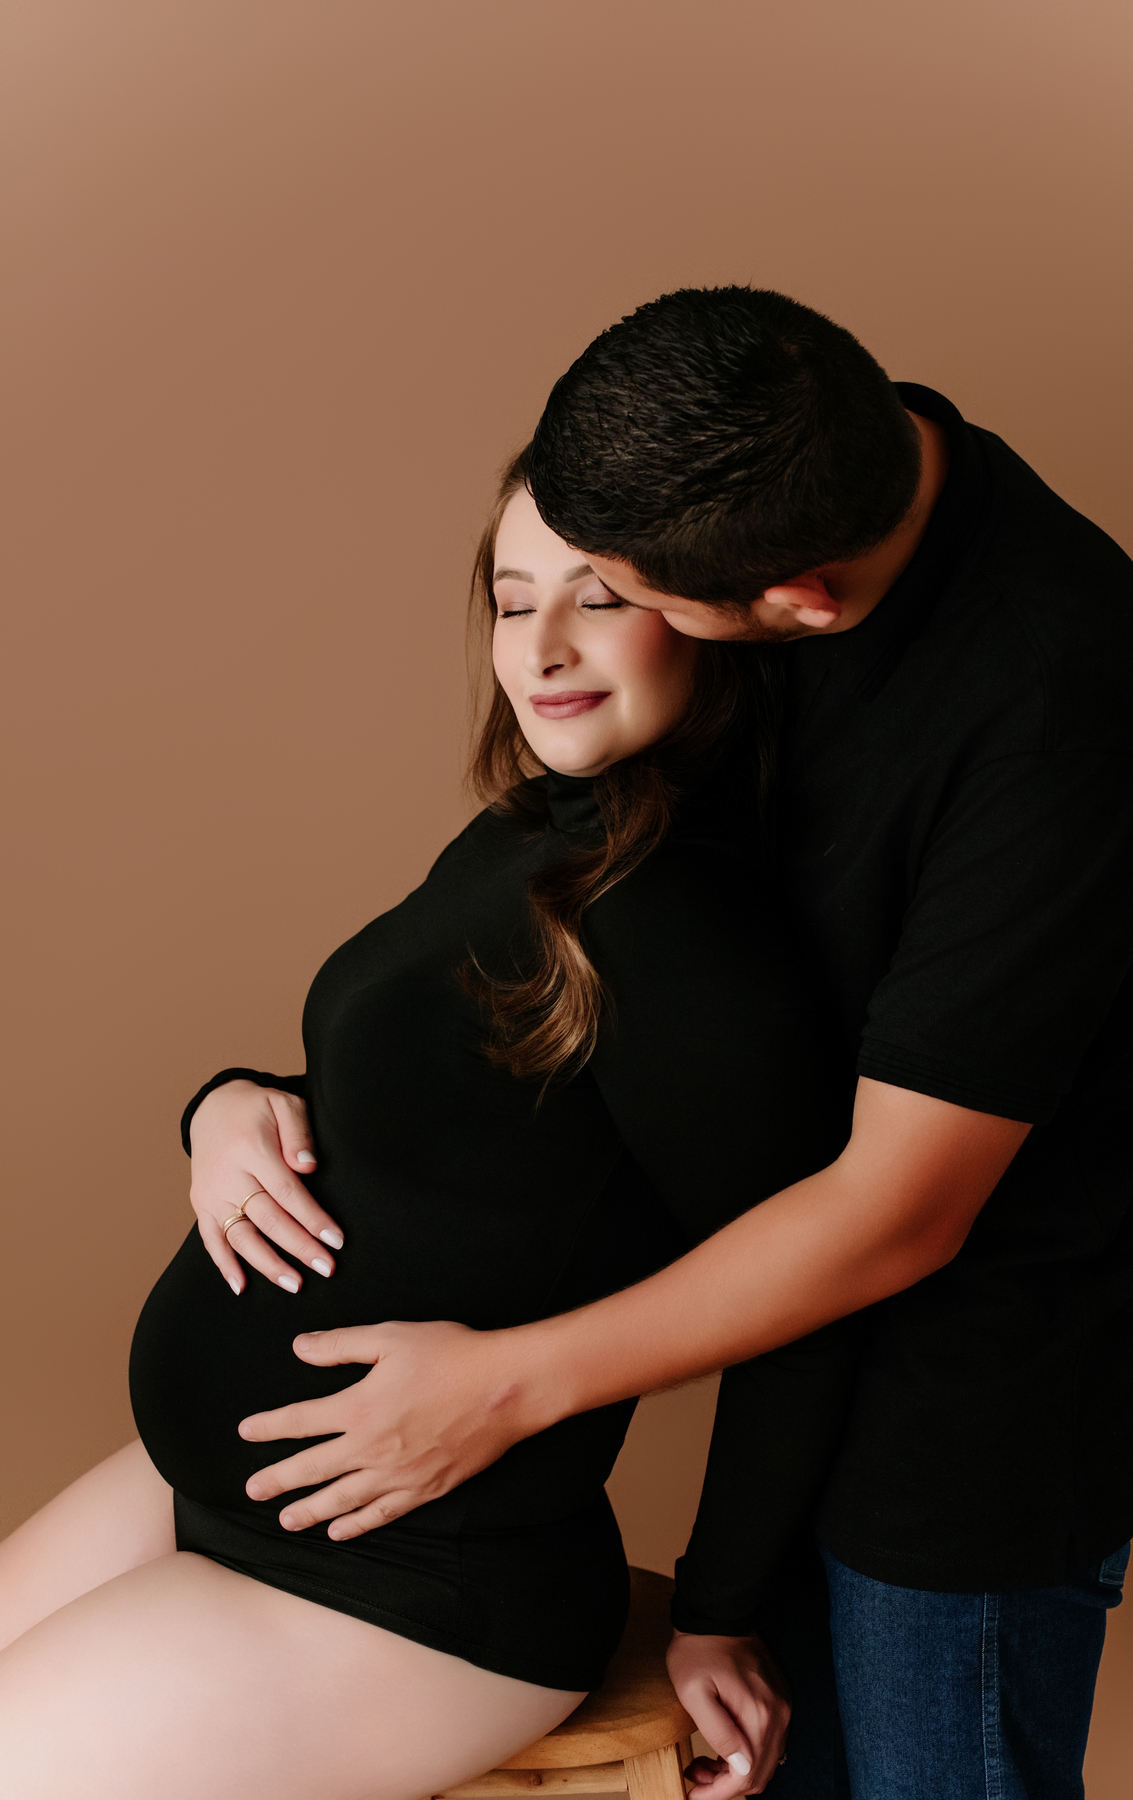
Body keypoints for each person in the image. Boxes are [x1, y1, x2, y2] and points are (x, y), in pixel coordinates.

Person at [191, 288, 1133, 1800]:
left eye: (620, 594)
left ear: (797, 606)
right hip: (786, 1368)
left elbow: (896, 1212)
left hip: (973, 1410)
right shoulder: (788, 453)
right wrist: (240, 1099)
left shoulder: (1060, 717)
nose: (571, 630)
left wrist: (503, 1388)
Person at [0, 456, 818, 1799]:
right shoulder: (540, 835)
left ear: (705, 610)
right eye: (514, 600)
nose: (541, 647)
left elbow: (805, 1297)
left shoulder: (688, 922)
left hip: (415, 1583)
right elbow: (430, 1100)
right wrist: (225, 1106)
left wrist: (722, 1609)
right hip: (228, 1492)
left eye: (600, 598)